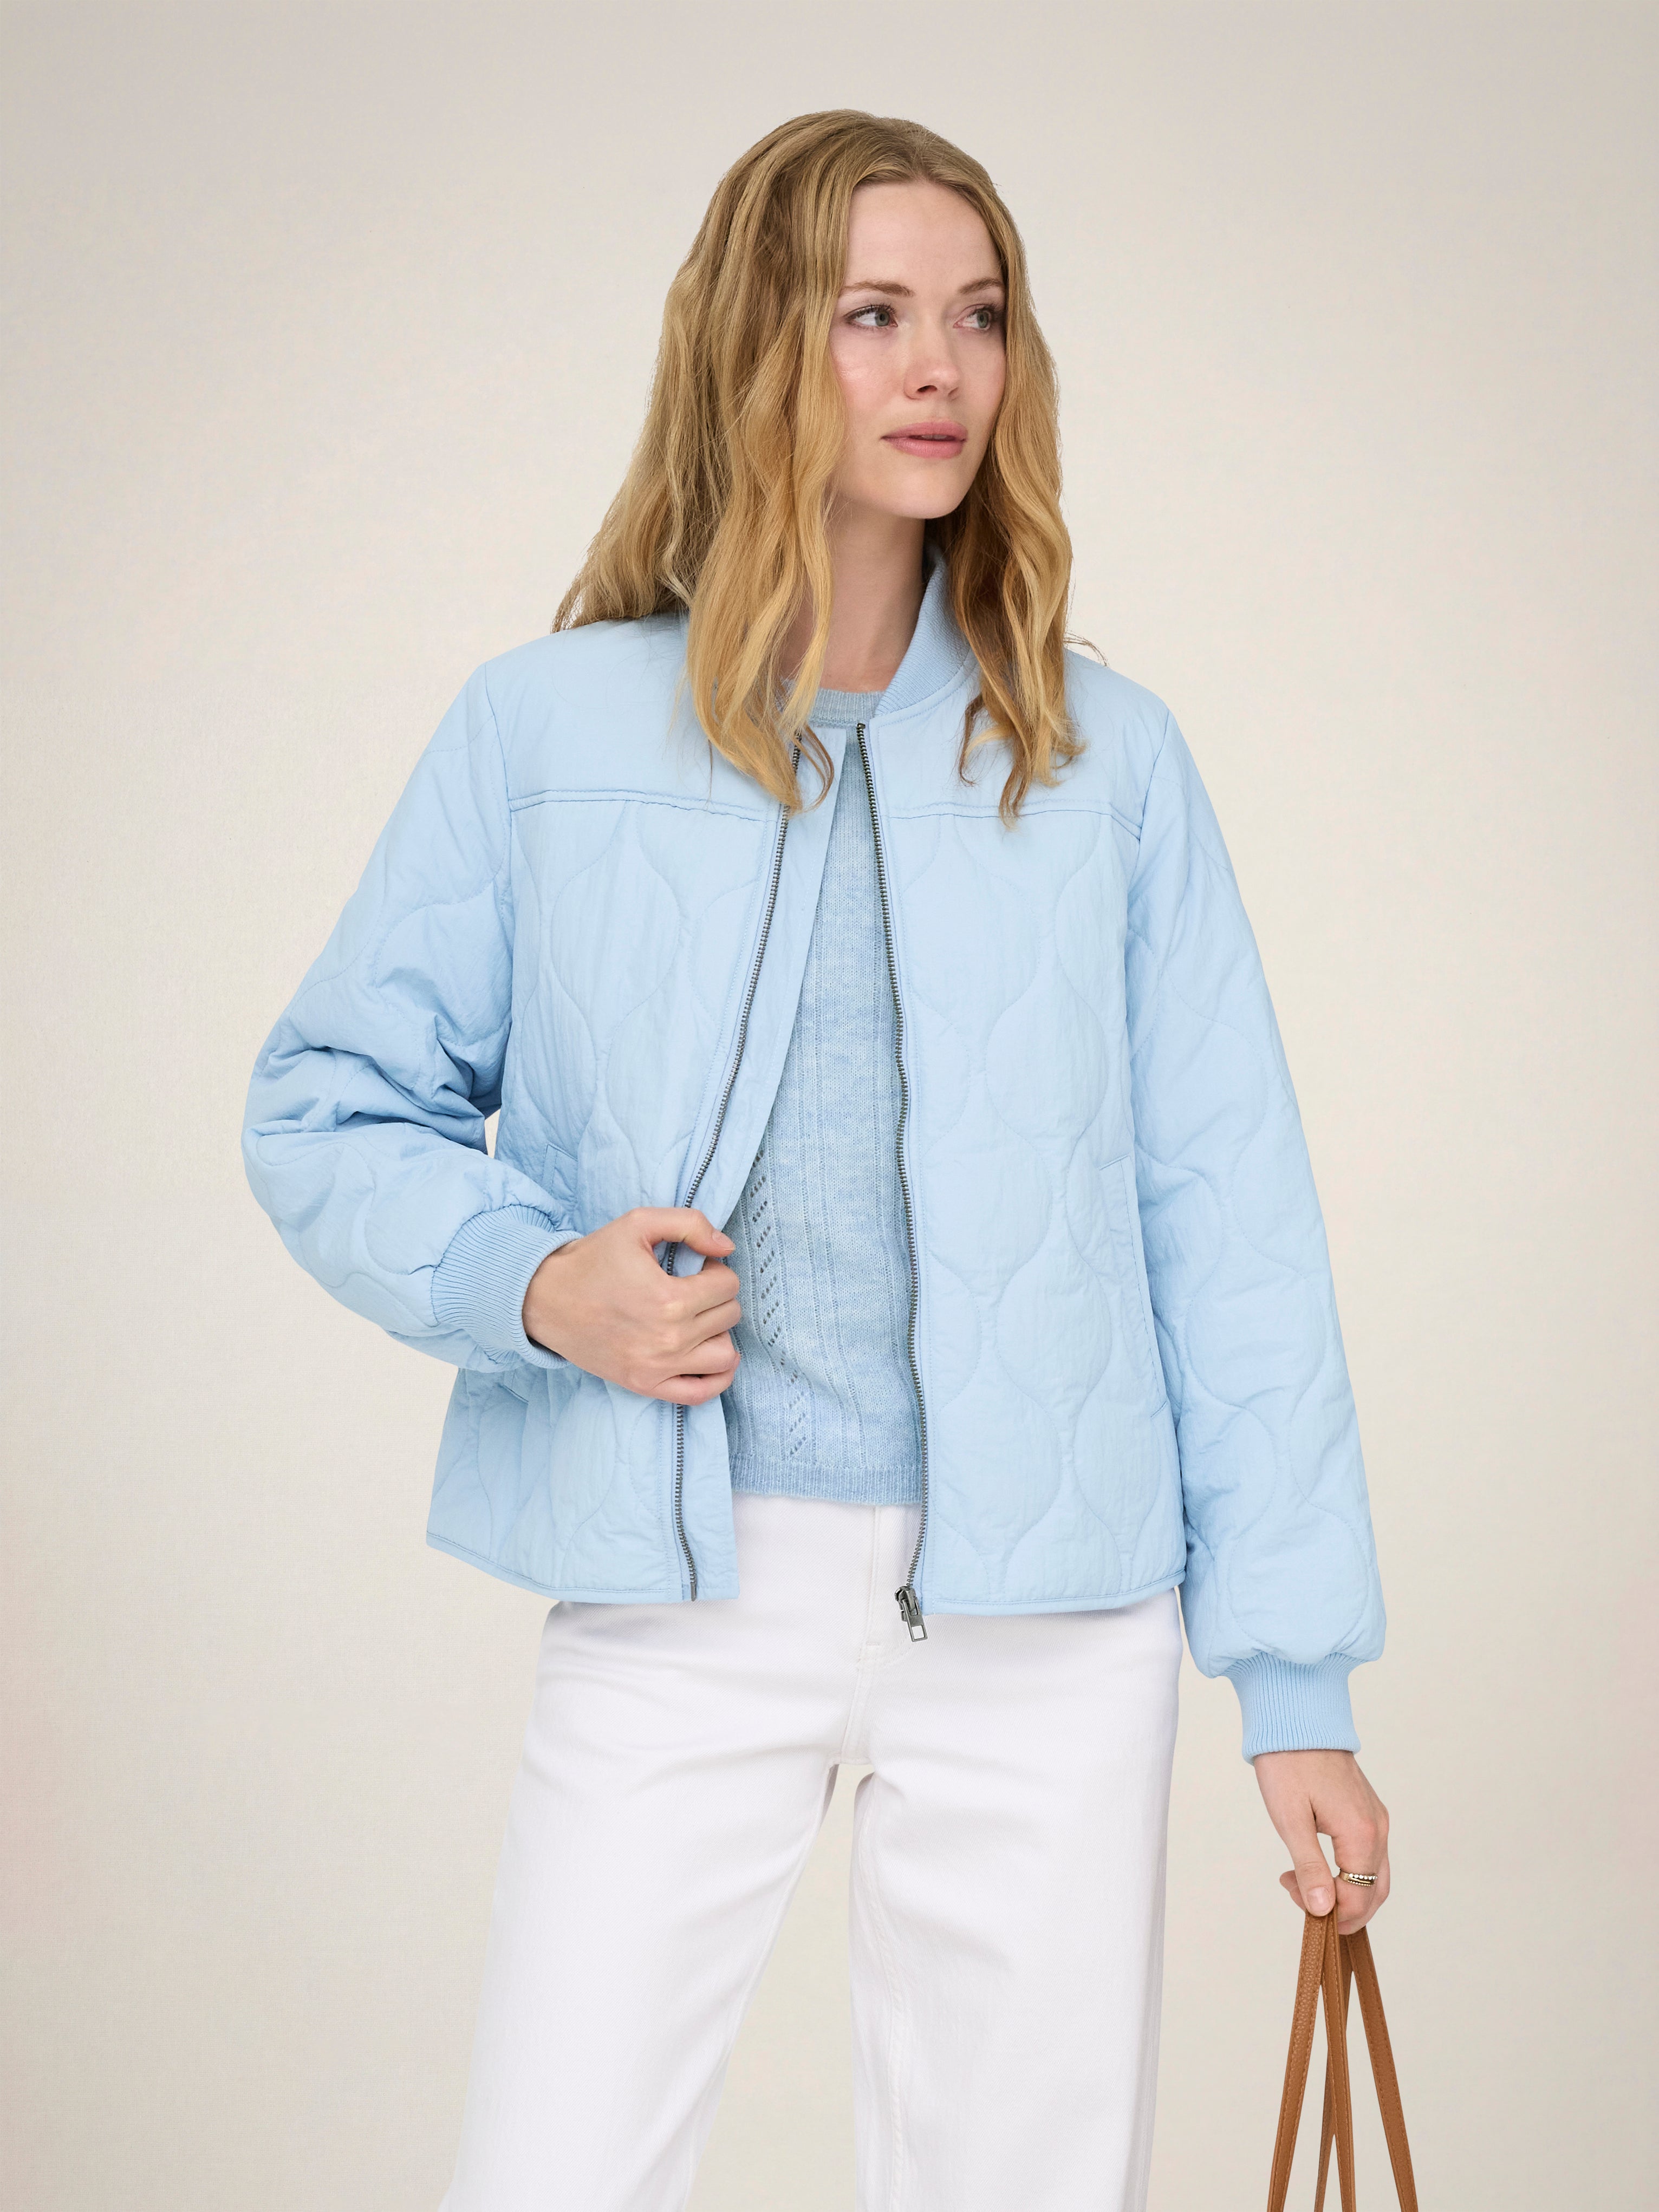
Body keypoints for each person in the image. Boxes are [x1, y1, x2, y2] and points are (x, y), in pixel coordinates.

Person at [243, 109, 1391, 2212]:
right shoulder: (546, 731)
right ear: (757, 343)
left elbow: (1227, 1216)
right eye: (873, 313)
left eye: (979, 314)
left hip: (1049, 1617)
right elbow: (326, 1100)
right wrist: (536, 1282)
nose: (939, 365)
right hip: (685, 1576)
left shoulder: (1105, 761)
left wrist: (1292, 1679)